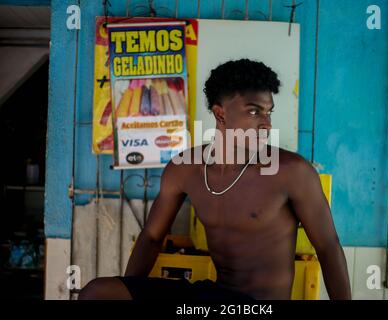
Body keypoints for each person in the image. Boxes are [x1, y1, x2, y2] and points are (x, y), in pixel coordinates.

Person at [79, 59, 351, 300]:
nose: (267, 123)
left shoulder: (291, 171)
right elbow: (151, 236)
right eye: (254, 111)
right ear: (220, 113)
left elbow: (327, 246)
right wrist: (132, 291)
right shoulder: (185, 169)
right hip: (213, 297)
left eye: (269, 112)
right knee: (98, 293)